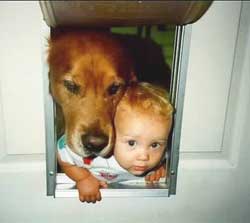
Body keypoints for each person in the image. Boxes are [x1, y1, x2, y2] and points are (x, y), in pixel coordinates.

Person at [57, 82, 173, 202]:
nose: (144, 156)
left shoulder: (160, 155)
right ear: (112, 133)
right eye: (132, 143)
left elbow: (165, 158)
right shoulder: (93, 157)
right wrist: (83, 178)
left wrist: (159, 168)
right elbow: (63, 156)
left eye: (154, 145)